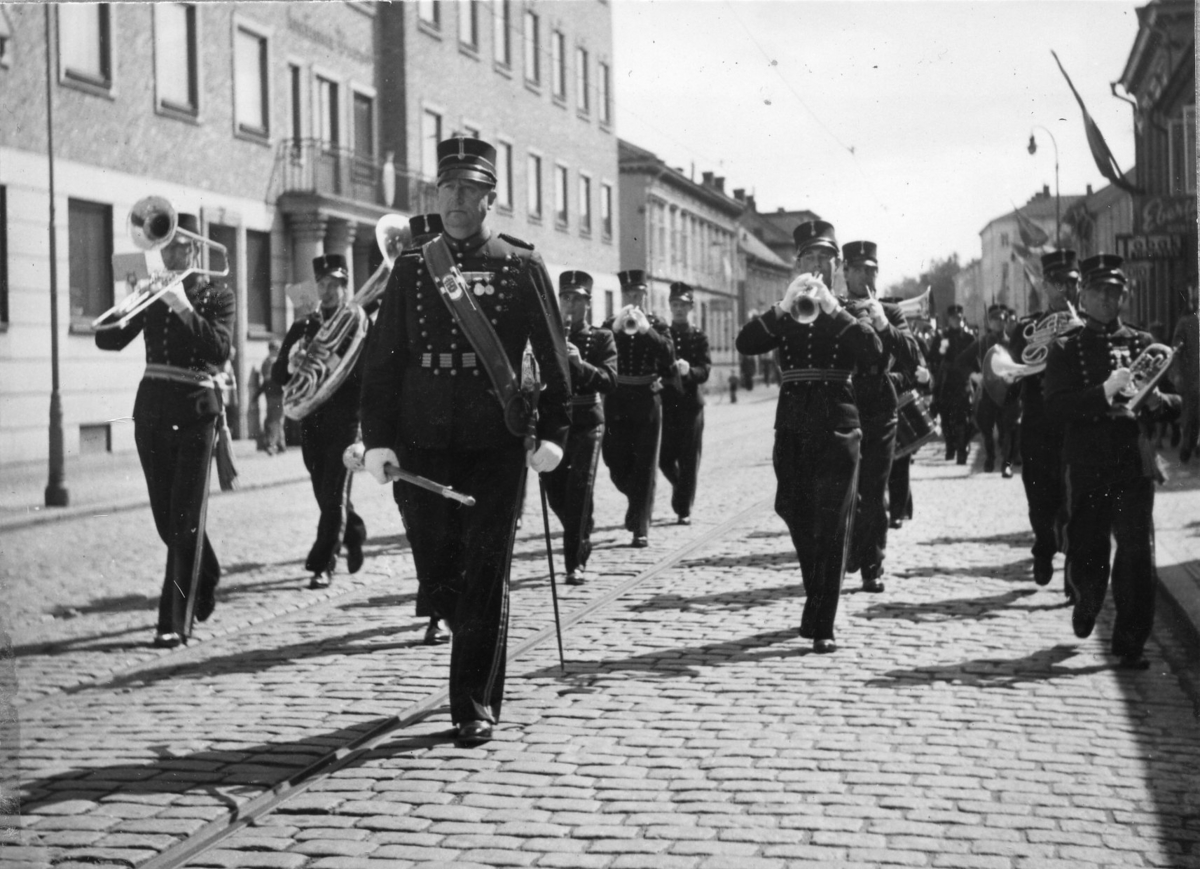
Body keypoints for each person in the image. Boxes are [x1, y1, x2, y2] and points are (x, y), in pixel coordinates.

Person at [359, 136, 570, 746]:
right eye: (447, 188)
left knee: (484, 569)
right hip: (421, 440)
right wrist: (378, 439)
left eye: (468, 189)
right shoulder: (411, 266)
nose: (454, 200)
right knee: (437, 571)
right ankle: (471, 640)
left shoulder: (520, 264)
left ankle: (473, 704)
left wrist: (553, 433)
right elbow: (383, 361)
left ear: (489, 198)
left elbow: (553, 355)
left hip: (494, 440)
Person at [735, 220, 882, 654]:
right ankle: (818, 595)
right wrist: (782, 307)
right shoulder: (787, 311)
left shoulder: (850, 310)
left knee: (832, 524)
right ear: (797, 264)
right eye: (810, 258)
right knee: (795, 512)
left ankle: (822, 622)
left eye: (825, 258)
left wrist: (835, 310)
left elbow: (874, 352)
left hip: (838, 424)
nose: (818, 265)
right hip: (794, 424)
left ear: (837, 265)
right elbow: (746, 343)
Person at [95, 212, 234, 648]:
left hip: (196, 411)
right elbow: (108, 340)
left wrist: (183, 307)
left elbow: (219, 350)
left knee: (185, 518)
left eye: (179, 245)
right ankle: (207, 571)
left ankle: (174, 621)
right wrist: (128, 301)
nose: (171, 253)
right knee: (166, 518)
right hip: (153, 410)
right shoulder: (151, 293)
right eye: (166, 245)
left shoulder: (217, 294)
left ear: (194, 249)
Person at [1044, 254, 1180, 670]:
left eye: (1114, 291)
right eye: (1099, 291)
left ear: (1124, 295)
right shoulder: (1066, 346)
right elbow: (1055, 407)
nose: (1107, 298)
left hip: (1132, 460)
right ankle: (1086, 599)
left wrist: (1158, 402)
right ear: (1083, 295)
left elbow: (1176, 401)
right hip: (1088, 461)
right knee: (1088, 544)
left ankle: (1130, 641)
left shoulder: (1142, 342)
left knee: (1137, 552)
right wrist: (1103, 391)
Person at [839, 241, 921, 593]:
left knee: (874, 490)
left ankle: (872, 566)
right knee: (846, 490)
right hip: (843, 405)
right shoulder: (833, 307)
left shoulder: (891, 311)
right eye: (858, 269)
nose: (865, 276)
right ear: (845, 272)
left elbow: (913, 357)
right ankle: (853, 547)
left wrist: (884, 324)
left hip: (880, 408)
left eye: (871, 270)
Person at [1009, 250, 1083, 588]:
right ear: (1046, 285)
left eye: (1073, 283)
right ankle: (1044, 546)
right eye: (1059, 283)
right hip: (1038, 426)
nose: (1067, 290)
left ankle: (1074, 565)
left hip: (1074, 425)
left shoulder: (1088, 327)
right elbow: (1011, 374)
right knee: (1039, 497)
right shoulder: (1027, 328)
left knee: (1073, 499)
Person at [543, 270, 617, 586]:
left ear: (588, 304)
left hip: (587, 420)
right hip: (555, 424)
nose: (570, 305)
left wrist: (579, 364)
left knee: (580, 489)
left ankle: (574, 563)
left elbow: (610, 380)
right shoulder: (547, 334)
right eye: (566, 299)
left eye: (577, 300)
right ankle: (583, 526)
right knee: (555, 493)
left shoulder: (602, 338)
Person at [601, 269, 677, 547]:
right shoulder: (610, 324)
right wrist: (613, 329)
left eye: (639, 294)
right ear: (623, 295)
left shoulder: (657, 324)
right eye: (630, 293)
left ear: (646, 295)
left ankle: (641, 526)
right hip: (617, 398)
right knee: (615, 461)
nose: (635, 298)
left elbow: (669, 356)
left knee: (645, 464)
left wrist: (647, 331)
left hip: (646, 399)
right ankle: (636, 502)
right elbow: (598, 353)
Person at [659, 281, 712, 525]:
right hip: (668, 403)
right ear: (670, 307)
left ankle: (683, 509)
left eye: (683, 305)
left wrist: (689, 371)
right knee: (665, 460)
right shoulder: (664, 336)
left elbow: (705, 370)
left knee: (689, 459)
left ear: (691, 307)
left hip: (691, 405)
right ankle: (682, 489)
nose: (679, 309)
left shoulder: (698, 336)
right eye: (675, 304)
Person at [956, 304, 1019, 476]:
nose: (999, 323)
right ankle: (990, 457)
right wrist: (974, 375)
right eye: (995, 320)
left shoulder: (1012, 343)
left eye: (1002, 320)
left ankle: (1006, 464)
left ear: (1006, 322)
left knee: (1008, 429)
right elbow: (961, 361)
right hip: (988, 393)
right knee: (987, 428)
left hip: (1007, 392)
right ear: (989, 322)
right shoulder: (982, 343)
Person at [930, 304, 976, 463]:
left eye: (958, 317)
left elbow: (974, 360)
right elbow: (932, 359)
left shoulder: (969, 338)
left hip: (963, 382)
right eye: (953, 318)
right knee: (946, 417)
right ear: (948, 319)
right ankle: (950, 446)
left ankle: (962, 450)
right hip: (946, 383)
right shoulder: (941, 336)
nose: (956, 320)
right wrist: (940, 352)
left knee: (963, 418)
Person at [1173, 287, 1199, 462]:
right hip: (1193, 378)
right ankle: (1187, 446)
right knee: (1192, 415)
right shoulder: (1186, 323)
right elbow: (1176, 349)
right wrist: (1177, 373)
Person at [258, 341, 287, 454]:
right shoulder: (270, 362)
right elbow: (269, 379)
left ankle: (280, 444)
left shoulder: (268, 362)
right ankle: (273, 445)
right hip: (275, 394)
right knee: (275, 420)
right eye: (277, 349)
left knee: (277, 419)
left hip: (274, 394)